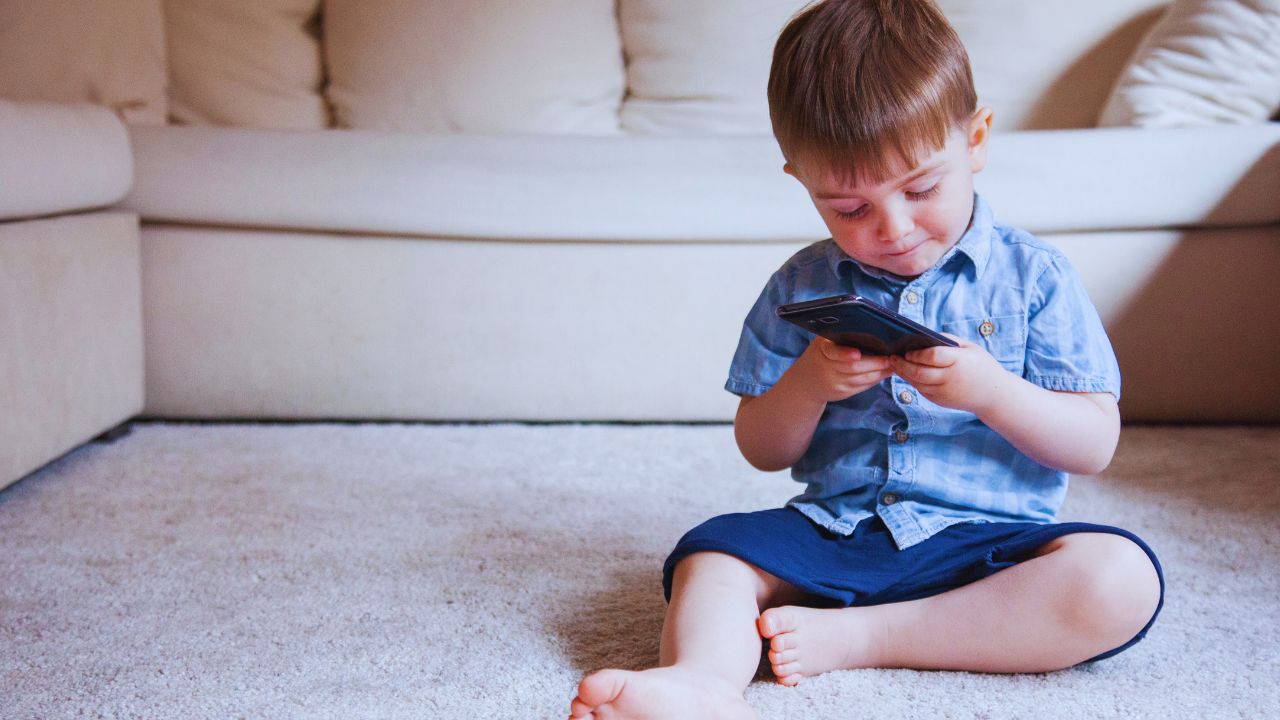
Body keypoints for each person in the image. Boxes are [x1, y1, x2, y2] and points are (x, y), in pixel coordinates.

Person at [568, 1, 1164, 717]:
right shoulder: (801, 285)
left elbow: (1093, 444)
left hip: (987, 551)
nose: (895, 228)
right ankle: (702, 683)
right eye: (850, 209)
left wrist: (992, 392)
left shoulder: (1034, 278)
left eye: (922, 189)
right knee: (713, 557)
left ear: (976, 140)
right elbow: (761, 448)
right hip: (836, 530)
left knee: (1119, 577)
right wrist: (810, 383)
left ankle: (866, 636)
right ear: (800, 180)